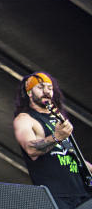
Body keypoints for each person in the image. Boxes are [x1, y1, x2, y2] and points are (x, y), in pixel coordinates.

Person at [13, 71, 92, 209]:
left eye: (50, 88)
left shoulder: (57, 117)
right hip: (55, 196)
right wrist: (57, 137)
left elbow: (70, 152)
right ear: (29, 92)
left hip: (82, 192)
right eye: (41, 87)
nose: (46, 91)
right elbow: (31, 149)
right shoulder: (24, 119)